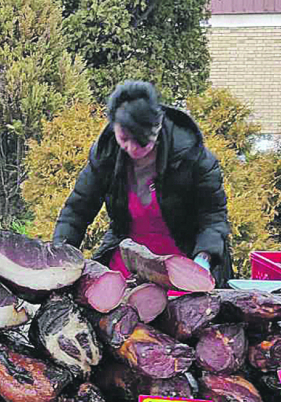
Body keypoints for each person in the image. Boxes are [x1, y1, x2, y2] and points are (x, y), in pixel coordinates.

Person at [53, 80, 232, 287]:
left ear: (157, 127)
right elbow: (77, 211)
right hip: (130, 257)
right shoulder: (106, 155)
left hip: (184, 258)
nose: (132, 149)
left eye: (142, 141)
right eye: (124, 138)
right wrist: (59, 256)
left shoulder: (194, 157)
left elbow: (213, 216)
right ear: (114, 128)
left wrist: (203, 259)